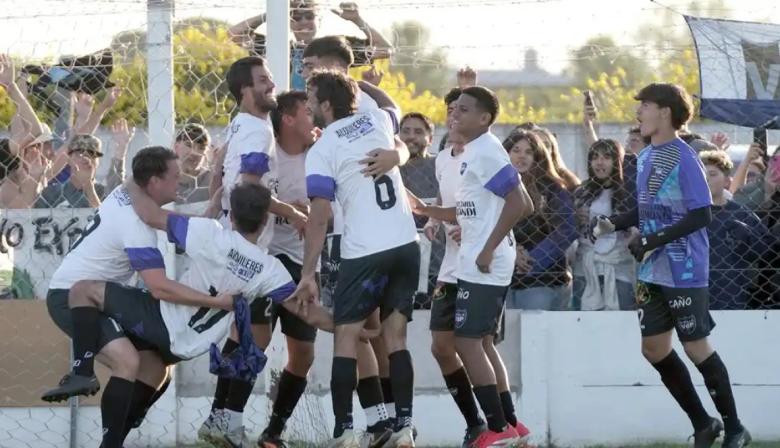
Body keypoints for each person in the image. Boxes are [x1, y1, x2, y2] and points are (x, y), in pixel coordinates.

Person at [40, 147, 235, 448]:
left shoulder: (128, 191)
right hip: (72, 299)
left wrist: (207, 217)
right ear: (154, 182)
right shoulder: (135, 226)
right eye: (174, 176)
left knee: (156, 368)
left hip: (101, 296)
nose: (180, 181)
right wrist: (214, 301)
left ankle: (115, 436)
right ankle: (90, 389)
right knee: (128, 362)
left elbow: (158, 211)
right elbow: (159, 287)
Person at [592, 83, 750, 447]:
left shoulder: (684, 156)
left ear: (664, 111)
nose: (638, 112)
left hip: (684, 269)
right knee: (654, 350)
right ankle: (704, 424)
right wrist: (612, 223)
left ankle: (735, 427)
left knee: (696, 347)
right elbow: (648, 209)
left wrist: (651, 240)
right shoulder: (646, 156)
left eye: (644, 105)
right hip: (651, 269)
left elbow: (701, 214)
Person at [290, 69, 418, 447]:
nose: (308, 106)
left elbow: (319, 215)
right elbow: (393, 104)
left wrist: (308, 271)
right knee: (396, 338)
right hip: (406, 244)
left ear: (326, 105)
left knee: (346, 338)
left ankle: (344, 431)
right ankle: (404, 427)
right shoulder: (376, 119)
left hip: (365, 252)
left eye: (311, 99)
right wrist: (358, 82)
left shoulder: (323, 148)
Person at [415, 86, 534, 447]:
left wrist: (487, 248)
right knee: (460, 343)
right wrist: (429, 213)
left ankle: (497, 428)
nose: (455, 115)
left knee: (471, 342)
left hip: (483, 263)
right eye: (453, 109)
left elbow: (521, 203)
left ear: (484, 119)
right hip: (463, 262)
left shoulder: (487, 152)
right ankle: (505, 426)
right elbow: (465, 209)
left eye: (464, 110)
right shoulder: (456, 157)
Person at [229, 0, 391, 90]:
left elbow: (385, 49)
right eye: (296, 18)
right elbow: (234, 34)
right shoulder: (278, 47)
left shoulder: (334, 47)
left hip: (328, 113)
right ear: (289, 22)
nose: (304, 22)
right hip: (287, 116)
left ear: (318, 19)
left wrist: (357, 20)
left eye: (309, 16)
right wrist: (273, 12)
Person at [503, 130, 577, 311]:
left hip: (543, 280)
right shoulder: (497, 188)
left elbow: (566, 229)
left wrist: (532, 260)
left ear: (538, 157)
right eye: (516, 150)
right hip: (504, 276)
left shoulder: (552, 188)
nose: (522, 156)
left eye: (529, 152)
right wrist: (511, 253)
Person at [700, 150, 768, 310]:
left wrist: (748, 236)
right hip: (692, 291)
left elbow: (766, 250)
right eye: (701, 173)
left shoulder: (740, 213)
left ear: (726, 181)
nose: (706, 178)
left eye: (712, 174)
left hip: (731, 294)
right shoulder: (686, 213)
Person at [572, 139, 636, 311]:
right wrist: (576, 219)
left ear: (617, 161)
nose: (599, 162)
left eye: (606, 157)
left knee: (622, 323)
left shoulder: (628, 193)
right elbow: (571, 230)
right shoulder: (581, 192)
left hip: (619, 268)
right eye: (595, 157)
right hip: (585, 268)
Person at [35, 134, 104, 208]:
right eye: (79, 153)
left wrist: (88, 185)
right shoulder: (51, 193)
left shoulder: (106, 192)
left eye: (92, 154)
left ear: (98, 161)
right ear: (69, 158)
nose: (86, 159)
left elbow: (105, 218)